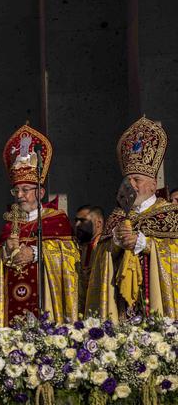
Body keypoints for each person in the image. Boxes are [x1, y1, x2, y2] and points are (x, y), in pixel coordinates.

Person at [0, 124, 79, 326]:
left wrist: (36, 253)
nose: (19, 196)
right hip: (12, 299)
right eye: (16, 191)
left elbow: (71, 257)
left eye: (25, 189)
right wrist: (5, 253)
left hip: (45, 299)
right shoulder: (10, 224)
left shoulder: (57, 220)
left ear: (40, 193)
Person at [85, 116, 178, 319]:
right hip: (121, 309)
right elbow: (100, 263)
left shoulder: (171, 214)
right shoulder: (117, 217)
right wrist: (116, 243)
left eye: (137, 179)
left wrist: (145, 244)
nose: (132, 185)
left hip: (157, 304)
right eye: (128, 180)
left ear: (153, 184)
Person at [74, 204, 105, 303]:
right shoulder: (78, 248)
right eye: (76, 221)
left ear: (98, 223)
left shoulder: (106, 247)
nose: (77, 225)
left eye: (83, 221)